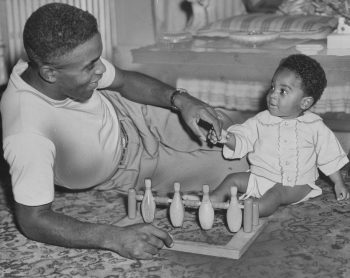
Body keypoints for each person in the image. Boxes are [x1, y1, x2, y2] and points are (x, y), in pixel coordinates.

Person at [0, 3, 248, 260]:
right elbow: (33, 220)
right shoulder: (26, 133)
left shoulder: (58, 59)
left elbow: (124, 81)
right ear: (49, 73)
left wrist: (180, 99)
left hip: (132, 112)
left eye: (98, 58)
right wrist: (113, 237)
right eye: (90, 66)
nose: (100, 69)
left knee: (232, 132)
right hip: (131, 170)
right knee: (245, 170)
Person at [208, 54, 350, 217]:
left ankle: (253, 210)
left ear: (304, 102)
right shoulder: (261, 120)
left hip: (294, 185)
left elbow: (329, 155)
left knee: (274, 195)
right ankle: (213, 199)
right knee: (232, 179)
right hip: (259, 177)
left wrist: (338, 183)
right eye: (272, 87)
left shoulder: (314, 126)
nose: (273, 94)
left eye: (283, 91)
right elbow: (244, 137)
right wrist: (227, 138)